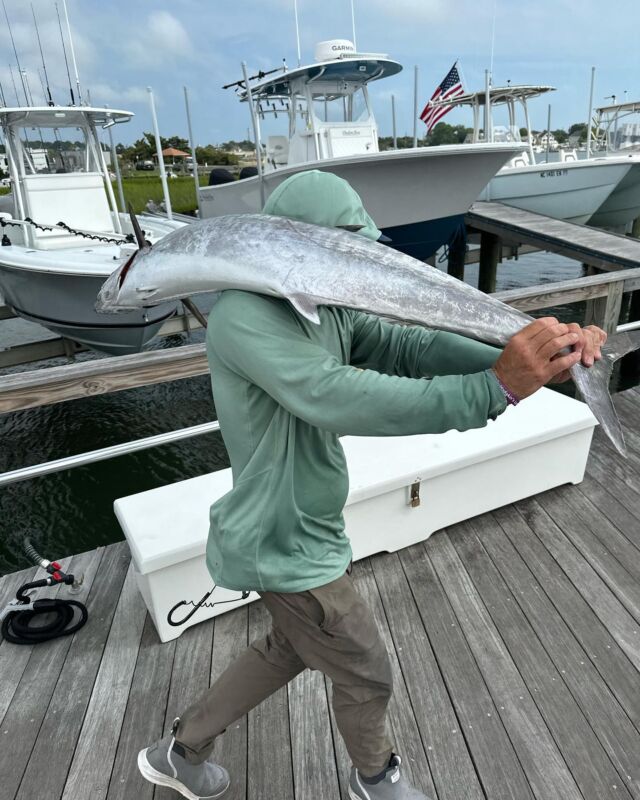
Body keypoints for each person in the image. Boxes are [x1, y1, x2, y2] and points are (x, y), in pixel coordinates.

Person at [137, 170, 606, 800]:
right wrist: (493, 389)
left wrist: (536, 357)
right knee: (366, 673)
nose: (353, 263)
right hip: (283, 540)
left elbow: (408, 345)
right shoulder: (245, 317)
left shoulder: (322, 304)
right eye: (342, 248)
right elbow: (331, 397)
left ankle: (180, 751)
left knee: (290, 648)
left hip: (308, 525)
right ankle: (375, 780)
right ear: (293, 246)